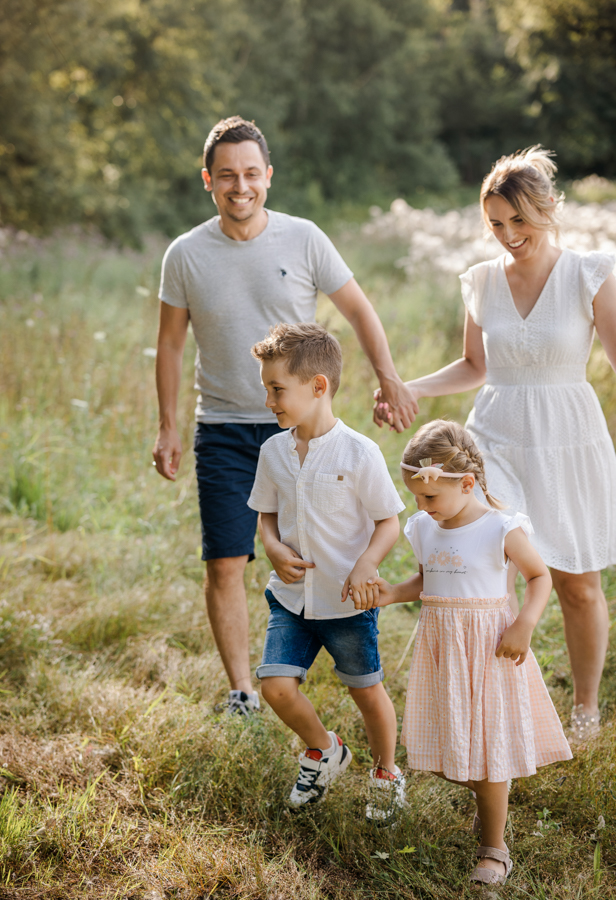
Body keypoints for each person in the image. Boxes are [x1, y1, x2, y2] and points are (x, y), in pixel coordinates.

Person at [152, 116, 417, 715]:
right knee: (225, 561)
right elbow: (170, 343)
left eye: (250, 173)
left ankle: (344, 664)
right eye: (226, 176)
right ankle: (244, 690)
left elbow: (357, 307)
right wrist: (168, 424)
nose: (239, 186)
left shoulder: (304, 239)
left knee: (327, 553)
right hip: (221, 430)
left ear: (267, 176)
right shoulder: (185, 254)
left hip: (302, 432)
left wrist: (389, 376)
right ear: (208, 181)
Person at [376, 146, 616, 742]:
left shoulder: (592, 272)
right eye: (496, 224)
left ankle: (585, 710)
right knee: (491, 567)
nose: (508, 235)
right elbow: (472, 365)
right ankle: (498, 701)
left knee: (576, 581)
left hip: (568, 438)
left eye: (519, 221)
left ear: (548, 209)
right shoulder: (482, 281)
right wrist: (409, 387)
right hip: (497, 436)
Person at [361, 419, 571, 886]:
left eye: (430, 496)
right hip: (443, 652)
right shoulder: (424, 527)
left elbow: (540, 577)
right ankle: (489, 799)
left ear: (468, 483)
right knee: (449, 753)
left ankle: (493, 848)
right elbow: (428, 580)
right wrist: (390, 593)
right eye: (416, 497)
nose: (422, 506)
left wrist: (525, 623)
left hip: (492, 650)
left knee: (488, 750)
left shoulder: (500, 527)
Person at [247, 322, 407, 822]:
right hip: (291, 598)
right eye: (266, 389)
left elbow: (389, 522)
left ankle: (386, 773)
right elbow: (266, 516)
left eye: (278, 390)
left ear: (318, 386)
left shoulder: (360, 452)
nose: (270, 400)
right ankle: (323, 749)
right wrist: (272, 547)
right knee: (274, 684)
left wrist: (366, 563)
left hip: (346, 602)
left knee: (366, 690)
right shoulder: (272, 451)